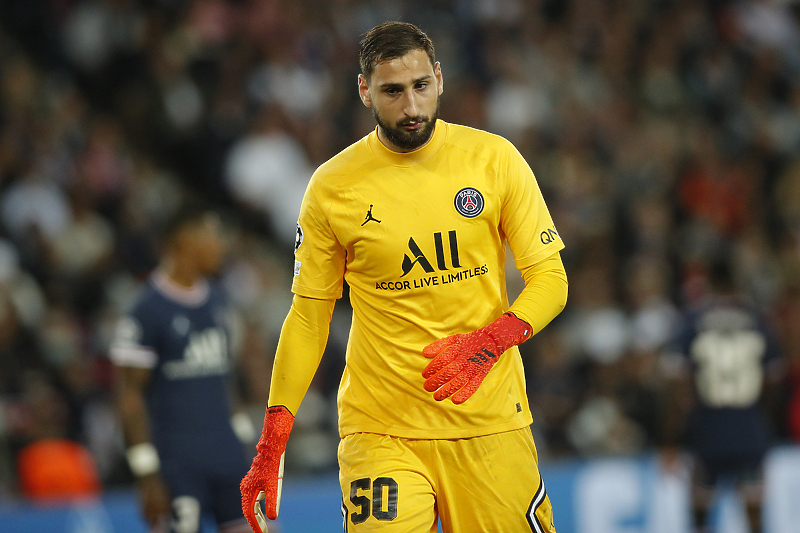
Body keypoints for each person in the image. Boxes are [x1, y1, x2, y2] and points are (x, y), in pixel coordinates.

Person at [240, 21, 568, 533]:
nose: (411, 107)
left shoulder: (494, 159)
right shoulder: (332, 187)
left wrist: (491, 341)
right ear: (365, 90)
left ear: (439, 79)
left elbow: (551, 278)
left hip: (487, 422)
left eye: (421, 86)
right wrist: (273, 438)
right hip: (382, 429)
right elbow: (308, 316)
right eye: (393, 91)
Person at [112, 204, 251, 533]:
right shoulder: (145, 310)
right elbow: (129, 397)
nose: (220, 245)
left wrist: (248, 447)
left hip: (228, 455)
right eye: (213, 235)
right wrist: (145, 472)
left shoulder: (218, 301)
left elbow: (225, 383)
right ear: (186, 241)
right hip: (177, 462)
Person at [662, 256, 783, 533]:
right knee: (754, 514)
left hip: (707, 430)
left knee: (700, 514)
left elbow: (677, 382)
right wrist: (764, 420)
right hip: (749, 428)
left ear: (710, 283)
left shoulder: (693, 320)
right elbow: (774, 378)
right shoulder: (757, 320)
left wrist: (669, 438)